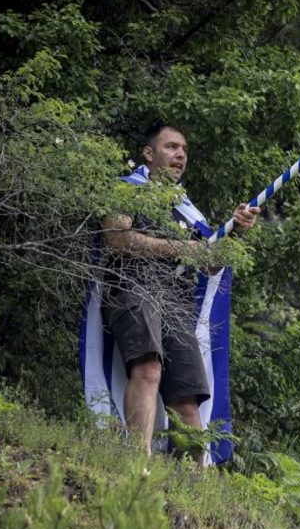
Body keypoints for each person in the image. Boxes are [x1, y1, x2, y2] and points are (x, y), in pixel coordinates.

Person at [100, 123, 259, 455]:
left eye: (184, 150)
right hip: (133, 287)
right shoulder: (126, 190)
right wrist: (178, 248)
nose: (180, 155)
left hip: (177, 302)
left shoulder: (189, 211)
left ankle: (192, 487)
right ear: (149, 153)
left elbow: (211, 263)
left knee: (187, 398)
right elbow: (117, 238)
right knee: (148, 367)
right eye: (171, 147)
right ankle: (137, 461)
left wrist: (235, 231)